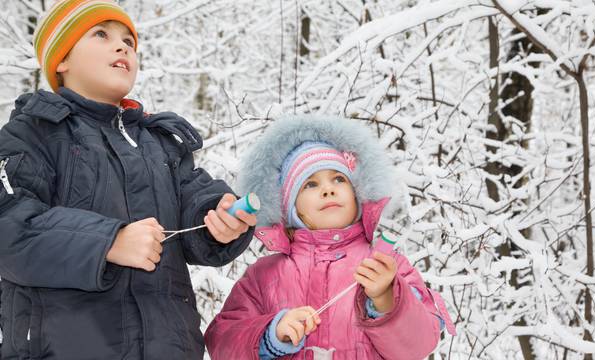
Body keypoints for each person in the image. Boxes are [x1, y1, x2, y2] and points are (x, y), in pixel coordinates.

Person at [0, 1, 255, 359]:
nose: (122, 47)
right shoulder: (31, 133)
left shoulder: (160, 143)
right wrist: (108, 242)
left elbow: (196, 204)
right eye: (101, 34)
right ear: (61, 61)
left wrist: (220, 219)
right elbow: (10, 228)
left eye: (129, 42)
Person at [205, 115, 456, 359]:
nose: (328, 189)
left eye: (339, 178)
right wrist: (271, 335)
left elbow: (419, 346)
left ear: (358, 194)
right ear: (289, 207)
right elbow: (222, 342)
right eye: (310, 184)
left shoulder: (386, 266)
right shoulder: (264, 276)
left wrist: (386, 298)